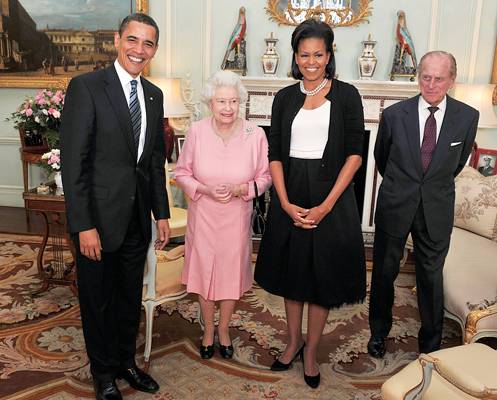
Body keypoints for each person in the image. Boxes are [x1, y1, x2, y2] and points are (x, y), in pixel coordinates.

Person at [60, 13, 170, 400]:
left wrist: (162, 214)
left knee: (127, 299)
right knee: (98, 300)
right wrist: (84, 224)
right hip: (98, 222)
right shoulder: (86, 88)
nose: (139, 50)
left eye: (148, 44)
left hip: (137, 221)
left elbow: (154, 162)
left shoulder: (154, 95)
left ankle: (125, 361)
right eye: (133, 40)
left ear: (155, 49)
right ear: (117, 40)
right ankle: (103, 372)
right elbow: (74, 164)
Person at [254, 19, 366, 389]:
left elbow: (355, 154)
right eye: (305, 55)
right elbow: (274, 155)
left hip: (331, 196)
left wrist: (326, 206)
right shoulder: (284, 98)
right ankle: (292, 342)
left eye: (319, 54)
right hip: (292, 192)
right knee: (293, 275)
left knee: (320, 280)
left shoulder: (347, 95)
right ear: (295, 56)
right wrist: (283, 203)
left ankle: (312, 351)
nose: (311, 61)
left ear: (330, 55)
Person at [368, 51, 479, 359]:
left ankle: (430, 344)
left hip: (436, 207)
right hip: (395, 203)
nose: (430, 85)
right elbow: (382, 158)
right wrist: (404, 185)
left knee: (431, 277)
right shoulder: (394, 115)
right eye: (425, 77)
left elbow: (456, 164)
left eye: (438, 78)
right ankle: (378, 333)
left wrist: (428, 186)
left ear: (452, 80)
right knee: (384, 273)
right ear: (419, 77)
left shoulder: (467, 117)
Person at [174, 70, 271, 361]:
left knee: (230, 274)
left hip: (236, 217)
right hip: (203, 214)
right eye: (221, 102)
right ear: (210, 103)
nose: (227, 108)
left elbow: (265, 177)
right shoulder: (196, 131)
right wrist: (203, 188)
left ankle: (224, 330)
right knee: (204, 273)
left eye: (232, 101)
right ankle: (206, 332)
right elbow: (180, 173)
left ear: (240, 102)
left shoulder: (256, 135)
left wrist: (243, 189)